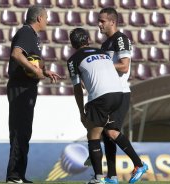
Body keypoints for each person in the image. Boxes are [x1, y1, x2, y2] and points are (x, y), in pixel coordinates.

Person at [67, 27, 139, 184]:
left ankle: (98, 178)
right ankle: (137, 165)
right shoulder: (102, 53)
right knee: (111, 132)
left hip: (100, 97)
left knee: (92, 135)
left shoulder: (73, 60)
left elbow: (78, 88)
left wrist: (81, 111)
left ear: (72, 44)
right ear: (88, 40)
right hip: (119, 94)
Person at [6, 5, 60, 183]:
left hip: (27, 87)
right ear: (39, 19)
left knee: (25, 131)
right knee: (19, 129)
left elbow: (33, 62)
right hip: (20, 87)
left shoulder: (33, 37)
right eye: (46, 17)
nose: (47, 21)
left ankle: (19, 175)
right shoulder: (26, 33)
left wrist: (44, 72)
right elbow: (16, 54)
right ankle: (13, 175)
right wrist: (34, 70)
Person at [98, 7, 148, 184]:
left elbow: (124, 66)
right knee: (107, 134)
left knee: (111, 132)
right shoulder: (105, 44)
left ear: (112, 21)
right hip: (108, 92)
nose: (99, 24)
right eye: (99, 20)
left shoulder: (121, 39)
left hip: (120, 92)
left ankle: (139, 164)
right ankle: (111, 177)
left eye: (102, 21)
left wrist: (101, 66)